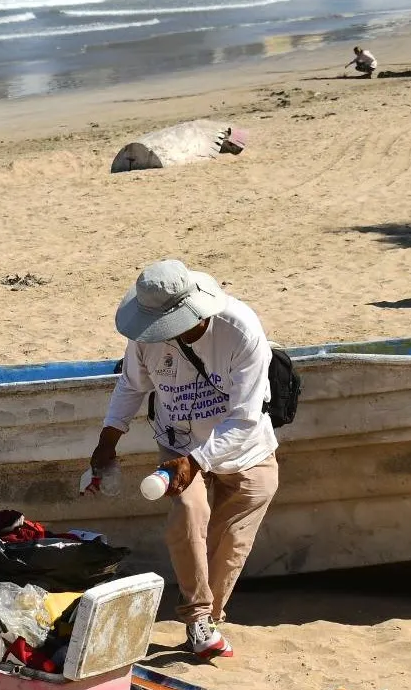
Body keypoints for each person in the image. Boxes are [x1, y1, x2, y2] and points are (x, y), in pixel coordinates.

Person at [86, 259, 280, 660]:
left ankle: (211, 616)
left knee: (230, 540)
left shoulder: (241, 330)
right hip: (178, 441)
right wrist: (108, 440)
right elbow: (131, 386)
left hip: (246, 448)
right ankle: (198, 619)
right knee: (188, 517)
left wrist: (198, 461)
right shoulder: (145, 337)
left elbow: (245, 418)